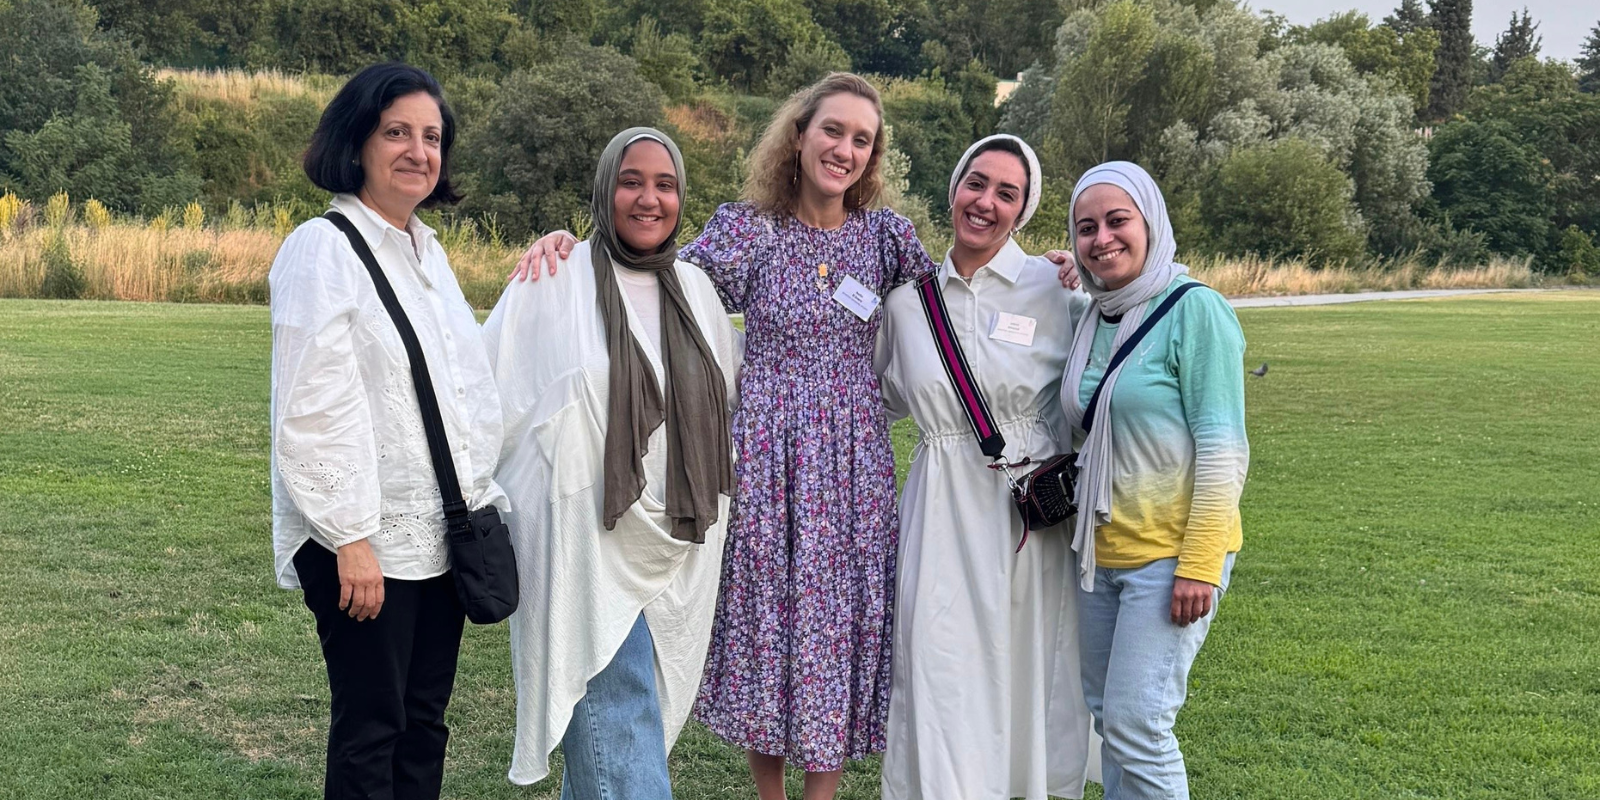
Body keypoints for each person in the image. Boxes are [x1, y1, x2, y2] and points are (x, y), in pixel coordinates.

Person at [514, 72, 933, 800]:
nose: (844, 149)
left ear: (874, 155)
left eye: (862, 139)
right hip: (767, 452)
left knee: (839, 627)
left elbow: (953, 296)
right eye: (832, 131)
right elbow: (653, 273)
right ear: (799, 136)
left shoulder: (886, 238)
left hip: (853, 460)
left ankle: (821, 795)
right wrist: (570, 245)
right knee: (770, 619)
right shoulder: (750, 230)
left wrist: (1048, 274)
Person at [268, 62, 506, 800]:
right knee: (372, 728)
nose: (417, 151)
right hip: (365, 544)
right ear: (358, 141)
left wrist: (548, 267)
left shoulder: (426, 253)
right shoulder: (325, 246)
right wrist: (350, 537)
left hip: (438, 538)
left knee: (423, 723)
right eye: (396, 132)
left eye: (431, 137)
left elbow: (463, 381)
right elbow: (312, 405)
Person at [481, 127, 742, 797]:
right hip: (588, 550)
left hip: (679, 548)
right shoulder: (553, 279)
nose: (648, 198)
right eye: (632, 180)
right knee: (620, 737)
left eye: (665, 184)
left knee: (618, 737)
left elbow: (729, 404)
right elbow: (489, 396)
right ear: (604, 187)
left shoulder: (699, 293)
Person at [874, 134, 1097, 800]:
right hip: (941, 508)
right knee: (935, 666)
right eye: (977, 183)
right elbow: (866, 399)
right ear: (953, 188)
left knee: (1022, 662)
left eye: (1007, 192)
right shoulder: (906, 300)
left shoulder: (1055, 288)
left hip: (1026, 513)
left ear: (1024, 209)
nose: (986, 202)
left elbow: (1110, 372)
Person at [1059, 161, 1248, 800]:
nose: (1102, 239)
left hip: (1170, 558)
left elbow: (1224, 449)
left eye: (1118, 221)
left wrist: (1199, 563)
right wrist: (1054, 271)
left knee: (1140, 723)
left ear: (1152, 223)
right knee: (1111, 720)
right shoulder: (1094, 316)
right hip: (1098, 554)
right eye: (1087, 228)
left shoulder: (1196, 311)